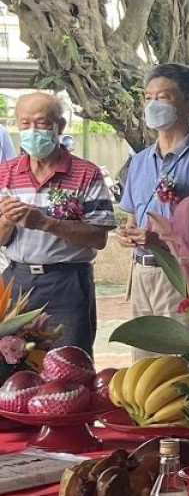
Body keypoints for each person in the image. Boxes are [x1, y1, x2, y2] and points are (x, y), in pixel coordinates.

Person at [117, 64, 189, 358]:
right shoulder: (140, 161)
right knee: (142, 368)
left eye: (164, 96)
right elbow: (132, 217)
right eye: (148, 97)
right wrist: (127, 234)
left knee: (179, 368)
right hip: (141, 272)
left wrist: (165, 240)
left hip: (181, 275)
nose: (153, 103)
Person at [0, 92, 116, 355]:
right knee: (11, 366)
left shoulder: (87, 173)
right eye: (24, 123)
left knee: (69, 364)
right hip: (16, 280)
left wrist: (46, 223)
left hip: (68, 282)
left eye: (41, 123)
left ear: (60, 126)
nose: (32, 131)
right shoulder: (4, 173)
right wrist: (6, 220)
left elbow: (99, 238)